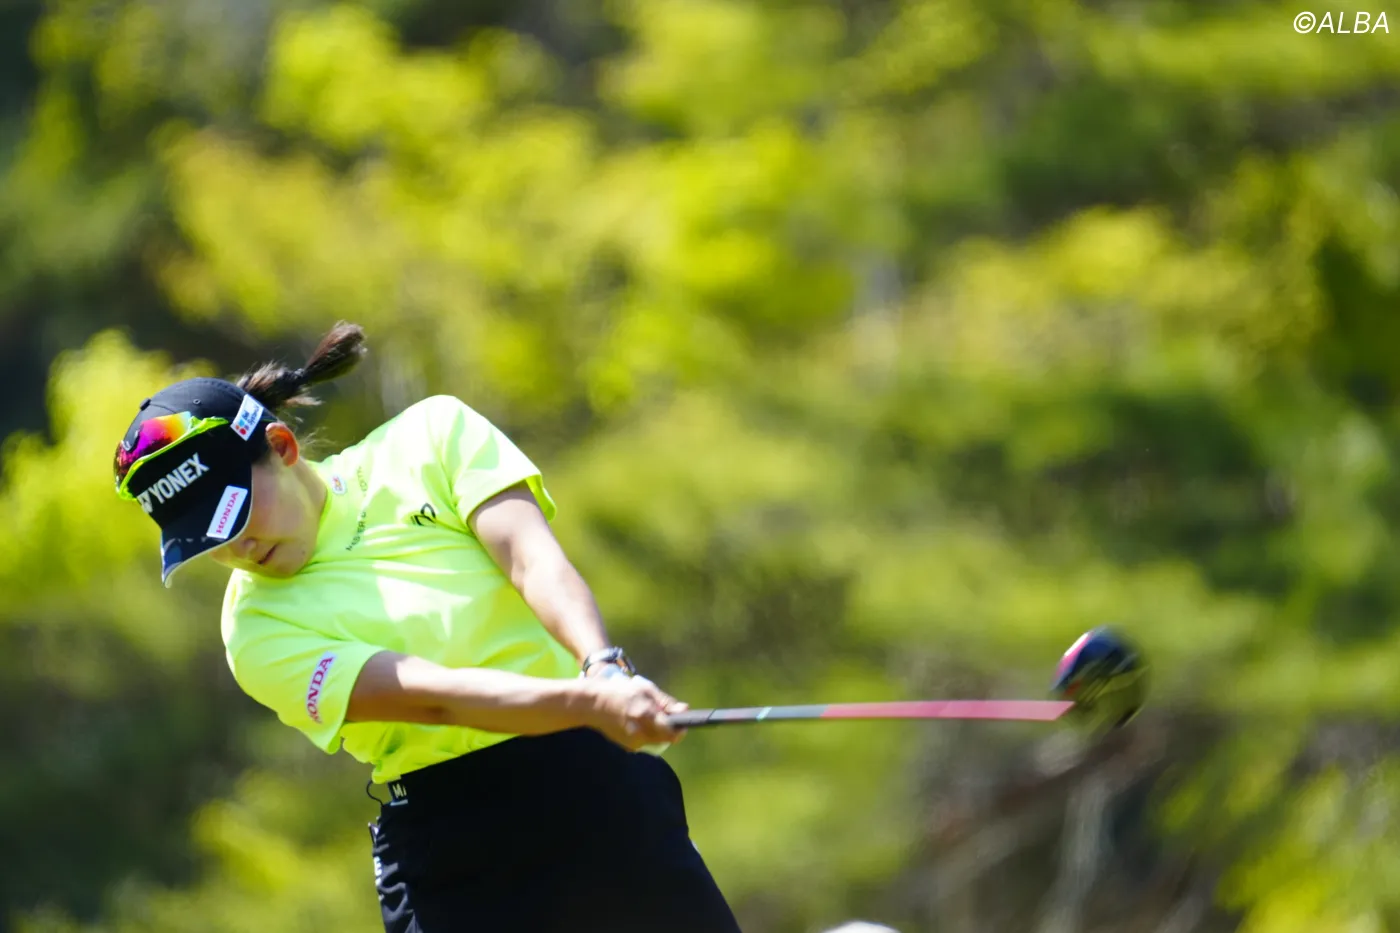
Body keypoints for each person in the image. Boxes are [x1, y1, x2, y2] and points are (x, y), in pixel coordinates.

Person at [112, 322, 743, 933]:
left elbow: (531, 560)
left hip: (600, 788)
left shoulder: (430, 436)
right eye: (211, 543)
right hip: (456, 862)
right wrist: (588, 702)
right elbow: (433, 697)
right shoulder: (253, 629)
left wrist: (601, 666)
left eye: (236, 515)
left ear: (281, 446)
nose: (239, 549)